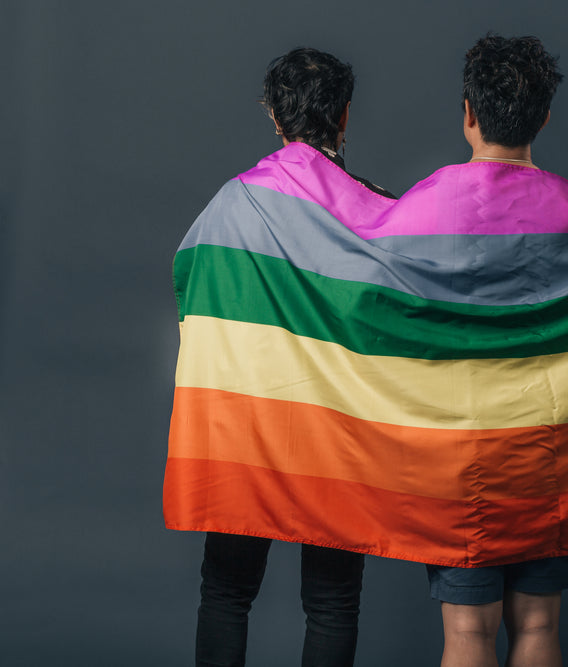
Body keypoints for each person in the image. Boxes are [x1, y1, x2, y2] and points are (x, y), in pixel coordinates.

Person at [189, 47, 393, 667]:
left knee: (226, 591)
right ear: (345, 117)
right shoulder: (383, 210)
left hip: (248, 426)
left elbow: (193, 292)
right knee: (333, 602)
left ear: (274, 117)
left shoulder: (232, 204)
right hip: (339, 432)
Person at [422, 34, 568, 667]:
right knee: (540, 626)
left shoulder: (422, 207)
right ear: (544, 116)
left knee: (465, 634)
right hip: (550, 445)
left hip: (460, 449)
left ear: (468, 113)